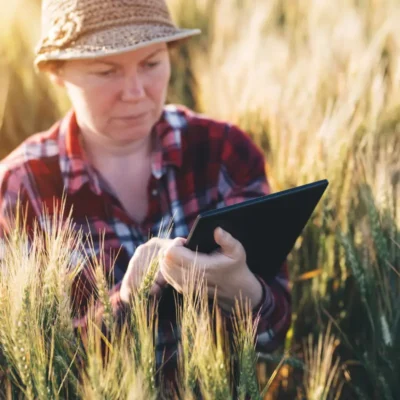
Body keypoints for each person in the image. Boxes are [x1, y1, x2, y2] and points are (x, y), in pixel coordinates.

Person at [0, 0, 291, 392]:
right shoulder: (21, 190)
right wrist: (125, 302)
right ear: (57, 71)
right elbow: (24, 373)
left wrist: (245, 291)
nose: (135, 92)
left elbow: (276, 330)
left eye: (152, 63)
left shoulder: (223, 152)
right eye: (107, 70)